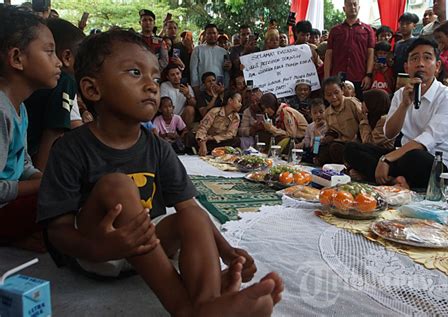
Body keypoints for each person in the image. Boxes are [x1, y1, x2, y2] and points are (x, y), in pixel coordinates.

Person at [38, 29, 283, 315]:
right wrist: (100, 247)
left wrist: (227, 252)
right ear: (93, 89)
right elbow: (57, 232)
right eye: (134, 73)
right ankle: (183, 308)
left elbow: (189, 207)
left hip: (151, 246)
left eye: (155, 78)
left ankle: (208, 301)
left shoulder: (158, 148)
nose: (152, 86)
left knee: (192, 213)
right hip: (98, 249)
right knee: (117, 185)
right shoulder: (70, 148)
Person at [0, 5, 61, 249]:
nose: (58, 62)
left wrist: (47, 179)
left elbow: (22, 165)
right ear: (16, 58)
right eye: (49, 52)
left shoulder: (20, 108)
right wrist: (44, 186)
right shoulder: (1, 111)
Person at [368, 38, 448, 189]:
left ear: (437, 66)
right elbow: (389, 133)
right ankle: (396, 180)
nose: (420, 64)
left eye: (427, 58)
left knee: (414, 157)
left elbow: (427, 140)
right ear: (406, 67)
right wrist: (404, 105)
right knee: (353, 149)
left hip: (437, 163)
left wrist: (387, 159)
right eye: (415, 58)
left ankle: (395, 178)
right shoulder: (400, 94)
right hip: (402, 156)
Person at [24, 18, 85, 172]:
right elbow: (53, 131)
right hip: (33, 164)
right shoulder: (65, 80)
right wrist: (42, 176)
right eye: (83, 58)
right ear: (67, 57)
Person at [324, 0, 375, 100]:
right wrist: (327, 77)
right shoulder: (335, 30)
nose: (352, 7)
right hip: (337, 77)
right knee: (336, 106)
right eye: (349, 5)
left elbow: (370, 54)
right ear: (344, 8)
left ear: (359, 7)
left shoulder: (368, 30)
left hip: (359, 77)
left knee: (358, 107)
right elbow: (329, 54)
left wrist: (368, 75)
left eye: (355, 4)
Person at [318, 76, 364, 165]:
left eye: (336, 93)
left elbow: (364, 121)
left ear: (342, 90)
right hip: (340, 143)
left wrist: (359, 139)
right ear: (325, 96)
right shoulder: (327, 113)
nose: (334, 97)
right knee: (322, 150)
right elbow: (332, 132)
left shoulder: (352, 103)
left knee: (336, 148)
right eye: (329, 95)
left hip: (356, 144)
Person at [194, 91, 242, 156]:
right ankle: (203, 149)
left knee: (236, 140)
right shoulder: (214, 111)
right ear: (230, 100)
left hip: (219, 140)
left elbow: (230, 134)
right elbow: (203, 128)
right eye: (239, 101)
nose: (241, 104)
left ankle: (210, 150)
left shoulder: (236, 117)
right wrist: (202, 143)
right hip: (206, 140)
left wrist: (212, 138)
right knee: (191, 136)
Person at [190, 24, 231, 92]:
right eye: (209, 33)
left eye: (214, 33)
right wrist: (195, 87)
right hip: (203, 89)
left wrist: (226, 87)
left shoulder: (223, 51)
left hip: (220, 88)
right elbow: (193, 71)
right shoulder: (198, 50)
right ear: (205, 35)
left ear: (217, 34)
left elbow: (226, 72)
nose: (212, 35)